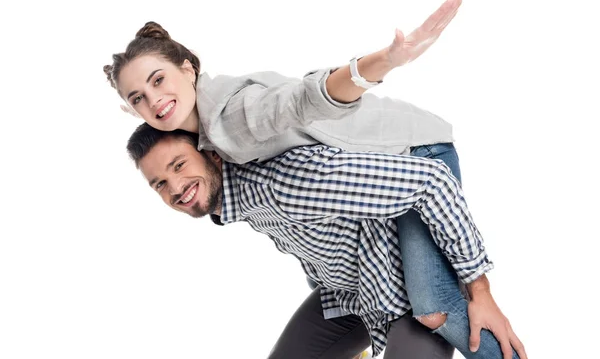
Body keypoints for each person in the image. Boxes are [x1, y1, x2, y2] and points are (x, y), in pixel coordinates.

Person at [125, 124, 527, 359]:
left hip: (400, 294)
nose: (175, 188)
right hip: (347, 296)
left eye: (179, 166)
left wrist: (480, 290)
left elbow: (432, 180)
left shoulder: (283, 180)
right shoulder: (228, 197)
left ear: (212, 156)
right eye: (159, 183)